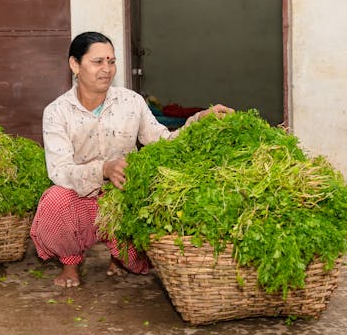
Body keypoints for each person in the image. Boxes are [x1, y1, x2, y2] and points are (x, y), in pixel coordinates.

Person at [30, 31, 234, 288]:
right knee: (54, 201)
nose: (107, 69)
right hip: (82, 195)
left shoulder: (131, 102)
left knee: (141, 261)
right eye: (98, 62)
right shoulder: (57, 112)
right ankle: (70, 264)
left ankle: (119, 256)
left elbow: (163, 141)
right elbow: (60, 170)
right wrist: (103, 168)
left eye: (111, 61)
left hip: (124, 194)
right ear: (75, 65)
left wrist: (198, 121)